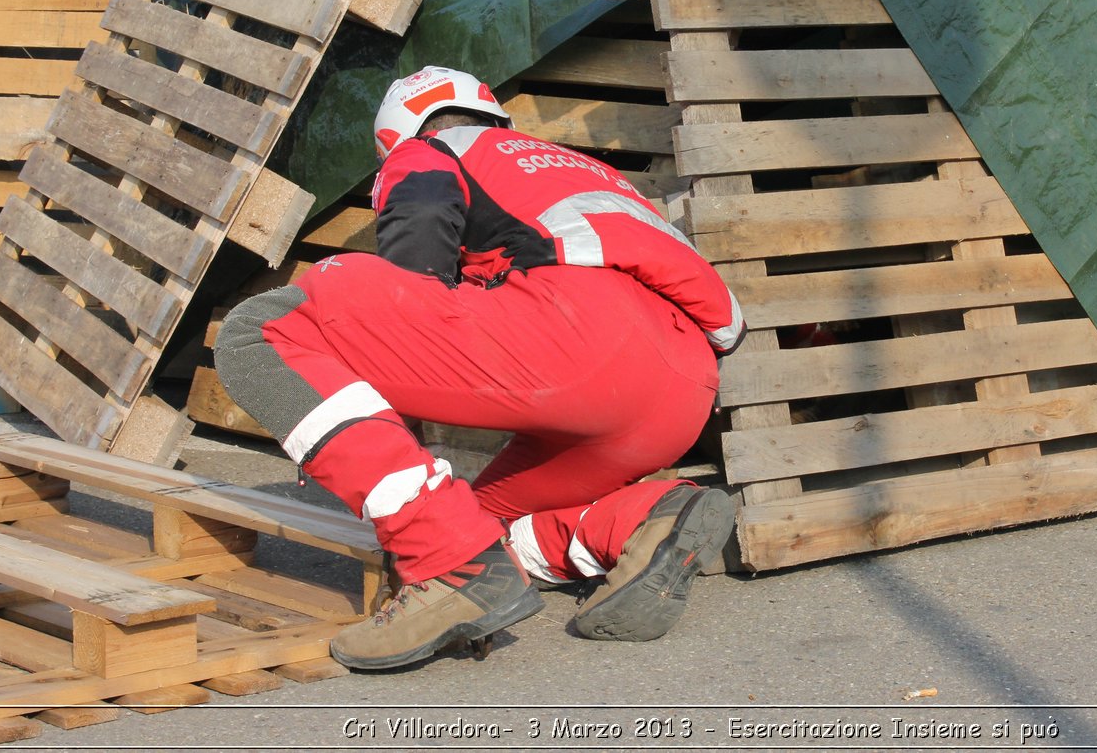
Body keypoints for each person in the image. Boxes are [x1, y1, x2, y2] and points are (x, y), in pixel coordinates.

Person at [214, 67, 744, 670]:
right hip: (682, 387)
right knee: (481, 522)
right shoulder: (590, 172)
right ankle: (641, 519)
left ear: (395, 138)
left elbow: (413, 268)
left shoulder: (429, 150)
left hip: (578, 344)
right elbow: (727, 321)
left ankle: (444, 563)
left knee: (263, 331)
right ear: (497, 116)